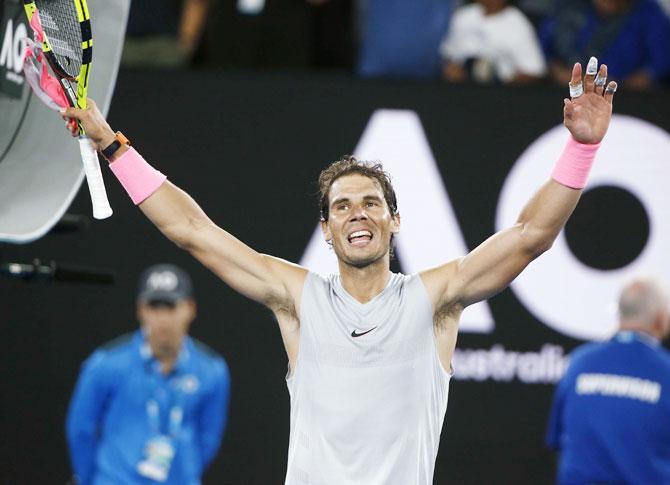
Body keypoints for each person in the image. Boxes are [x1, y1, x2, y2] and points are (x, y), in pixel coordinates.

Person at [61, 57, 617, 483]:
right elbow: (193, 231)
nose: (358, 214)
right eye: (342, 207)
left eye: (371, 203)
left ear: (394, 220)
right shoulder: (297, 299)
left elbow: (530, 236)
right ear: (326, 230)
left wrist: (581, 150)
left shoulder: (438, 299)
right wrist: (113, 146)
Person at [66, 264, 230, 485]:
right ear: (140, 310)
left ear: (190, 308)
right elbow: (80, 429)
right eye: (154, 306)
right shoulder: (106, 363)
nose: (162, 317)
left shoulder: (212, 370)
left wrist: (184, 474)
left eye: (171, 306)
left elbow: (209, 439)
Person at [546, 277, 670, 484]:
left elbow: (557, 441)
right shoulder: (666, 371)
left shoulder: (580, 362)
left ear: (619, 315)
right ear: (660, 319)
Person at [540, 0, 670, 90]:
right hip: (566, 92)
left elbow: (660, 64)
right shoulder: (568, 7)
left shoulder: (648, 12)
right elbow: (543, 53)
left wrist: (619, 87)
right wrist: (563, 75)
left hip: (628, 99)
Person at [440, 0, 547, 84]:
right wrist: (452, 70)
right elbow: (448, 56)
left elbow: (534, 71)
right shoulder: (463, 16)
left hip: (500, 97)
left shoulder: (518, 23)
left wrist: (504, 85)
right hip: (461, 91)